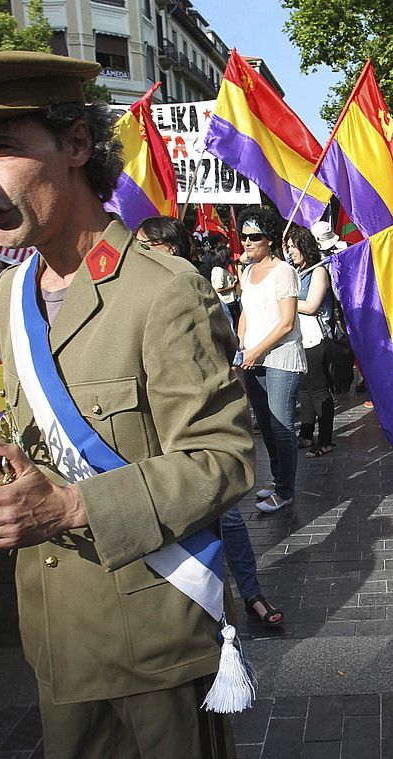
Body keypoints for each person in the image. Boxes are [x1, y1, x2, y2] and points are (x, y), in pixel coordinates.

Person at [0, 50, 254, 759]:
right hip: (58, 634)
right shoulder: (12, 294)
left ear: (77, 145)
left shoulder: (163, 290)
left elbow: (225, 458)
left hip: (158, 630)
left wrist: (69, 505)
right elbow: (40, 440)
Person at [137, 215, 284, 629]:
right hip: (152, 436)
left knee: (228, 517)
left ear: (168, 249)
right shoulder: (131, 298)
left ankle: (250, 594)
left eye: (145, 245)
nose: (138, 254)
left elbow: (223, 354)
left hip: (197, 433)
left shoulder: (191, 290)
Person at [235, 205, 305, 513]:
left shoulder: (284, 272)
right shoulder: (248, 271)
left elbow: (287, 322)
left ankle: (286, 490)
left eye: (255, 236)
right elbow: (246, 313)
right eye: (244, 236)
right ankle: (277, 480)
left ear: (271, 239)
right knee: (264, 424)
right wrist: (241, 346)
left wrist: (257, 349)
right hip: (253, 359)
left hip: (280, 358)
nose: (248, 242)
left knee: (281, 426)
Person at [285, 224, 337, 457]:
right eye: (287, 247)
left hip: (316, 338)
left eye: (292, 246)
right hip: (299, 338)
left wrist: (284, 302)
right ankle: (306, 435)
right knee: (304, 390)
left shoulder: (319, 272)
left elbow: (313, 305)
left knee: (318, 391)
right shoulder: (296, 272)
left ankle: (324, 440)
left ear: (304, 246)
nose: (289, 251)